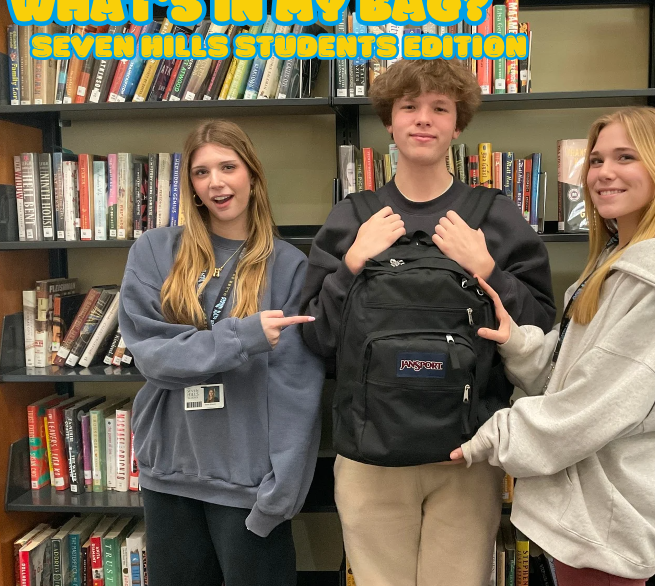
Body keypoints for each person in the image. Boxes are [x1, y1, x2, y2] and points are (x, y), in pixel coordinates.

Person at [451, 106, 655, 584]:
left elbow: (597, 404)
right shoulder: (616, 262)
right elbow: (576, 369)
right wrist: (521, 345)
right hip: (587, 510)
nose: (604, 173)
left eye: (625, 157)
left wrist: (491, 438)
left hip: (609, 520)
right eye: (597, 159)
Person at [299, 59, 556, 586]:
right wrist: (350, 265)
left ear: (458, 125)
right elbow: (316, 336)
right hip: (369, 457)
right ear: (388, 122)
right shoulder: (352, 217)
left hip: (467, 454)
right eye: (409, 107)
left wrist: (487, 269)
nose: (423, 119)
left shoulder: (493, 214)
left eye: (439, 108)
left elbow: (539, 335)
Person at [118, 120, 324, 586]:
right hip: (169, 475)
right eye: (201, 172)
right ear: (189, 184)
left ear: (252, 174)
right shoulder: (154, 251)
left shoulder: (288, 265)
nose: (216, 182)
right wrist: (242, 337)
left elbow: (297, 388)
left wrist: (283, 488)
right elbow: (153, 358)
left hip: (250, 485)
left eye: (228, 167)